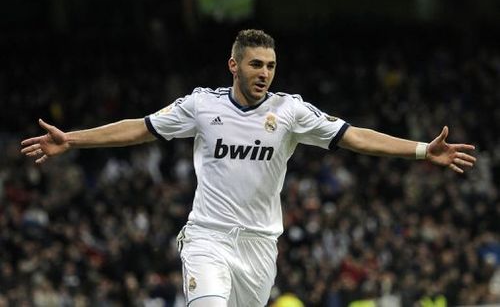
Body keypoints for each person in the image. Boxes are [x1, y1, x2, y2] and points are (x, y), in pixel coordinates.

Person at [21, 29, 476, 307]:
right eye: (256, 64)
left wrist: (421, 150)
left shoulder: (292, 112)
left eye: (272, 66)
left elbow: (353, 136)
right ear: (233, 65)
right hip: (208, 237)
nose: (265, 73)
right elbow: (141, 128)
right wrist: (73, 139)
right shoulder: (201, 105)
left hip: (260, 247)